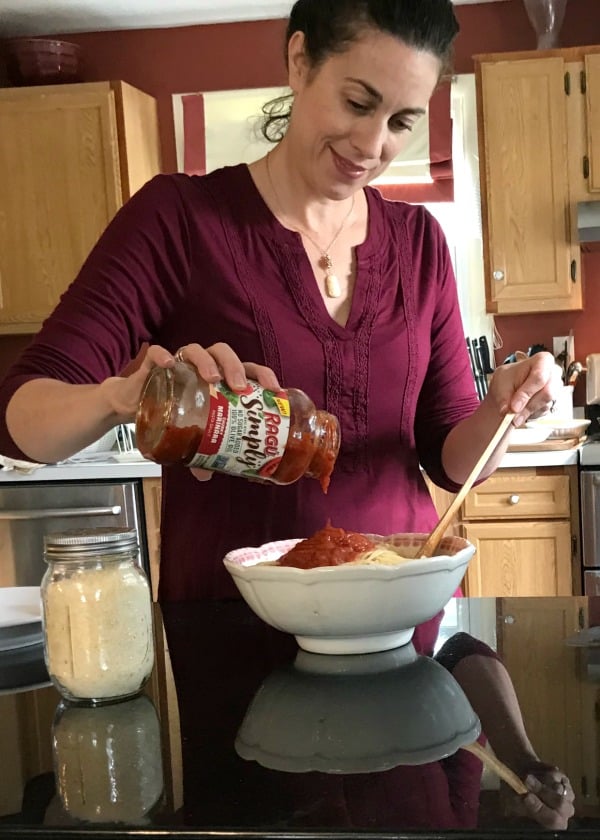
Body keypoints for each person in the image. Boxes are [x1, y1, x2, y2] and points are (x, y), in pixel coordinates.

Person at [0, 0, 561, 601]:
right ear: (299, 61)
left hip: (398, 611)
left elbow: (448, 457)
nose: (373, 144)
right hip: (234, 625)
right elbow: (20, 417)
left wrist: (501, 409)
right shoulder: (179, 221)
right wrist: (120, 398)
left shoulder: (419, 243)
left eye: (402, 121)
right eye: (357, 102)